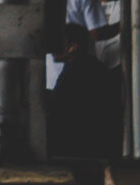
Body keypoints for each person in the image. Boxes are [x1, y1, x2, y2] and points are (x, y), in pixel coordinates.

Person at [46, 22, 122, 163]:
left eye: (58, 42)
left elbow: (54, 108)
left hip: (83, 150)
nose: (52, 48)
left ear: (72, 47)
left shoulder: (74, 72)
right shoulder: (90, 65)